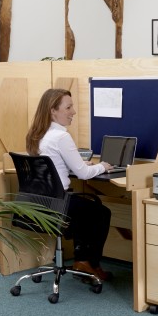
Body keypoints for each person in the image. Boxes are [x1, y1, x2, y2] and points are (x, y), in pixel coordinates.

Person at [26, 88, 114, 281]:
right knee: (100, 212)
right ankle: (89, 264)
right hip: (59, 205)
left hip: (38, 204)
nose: (73, 111)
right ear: (52, 111)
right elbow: (83, 174)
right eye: (68, 107)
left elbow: (52, 164)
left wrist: (78, 163)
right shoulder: (61, 137)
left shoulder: (37, 134)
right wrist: (102, 166)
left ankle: (82, 261)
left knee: (84, 209)